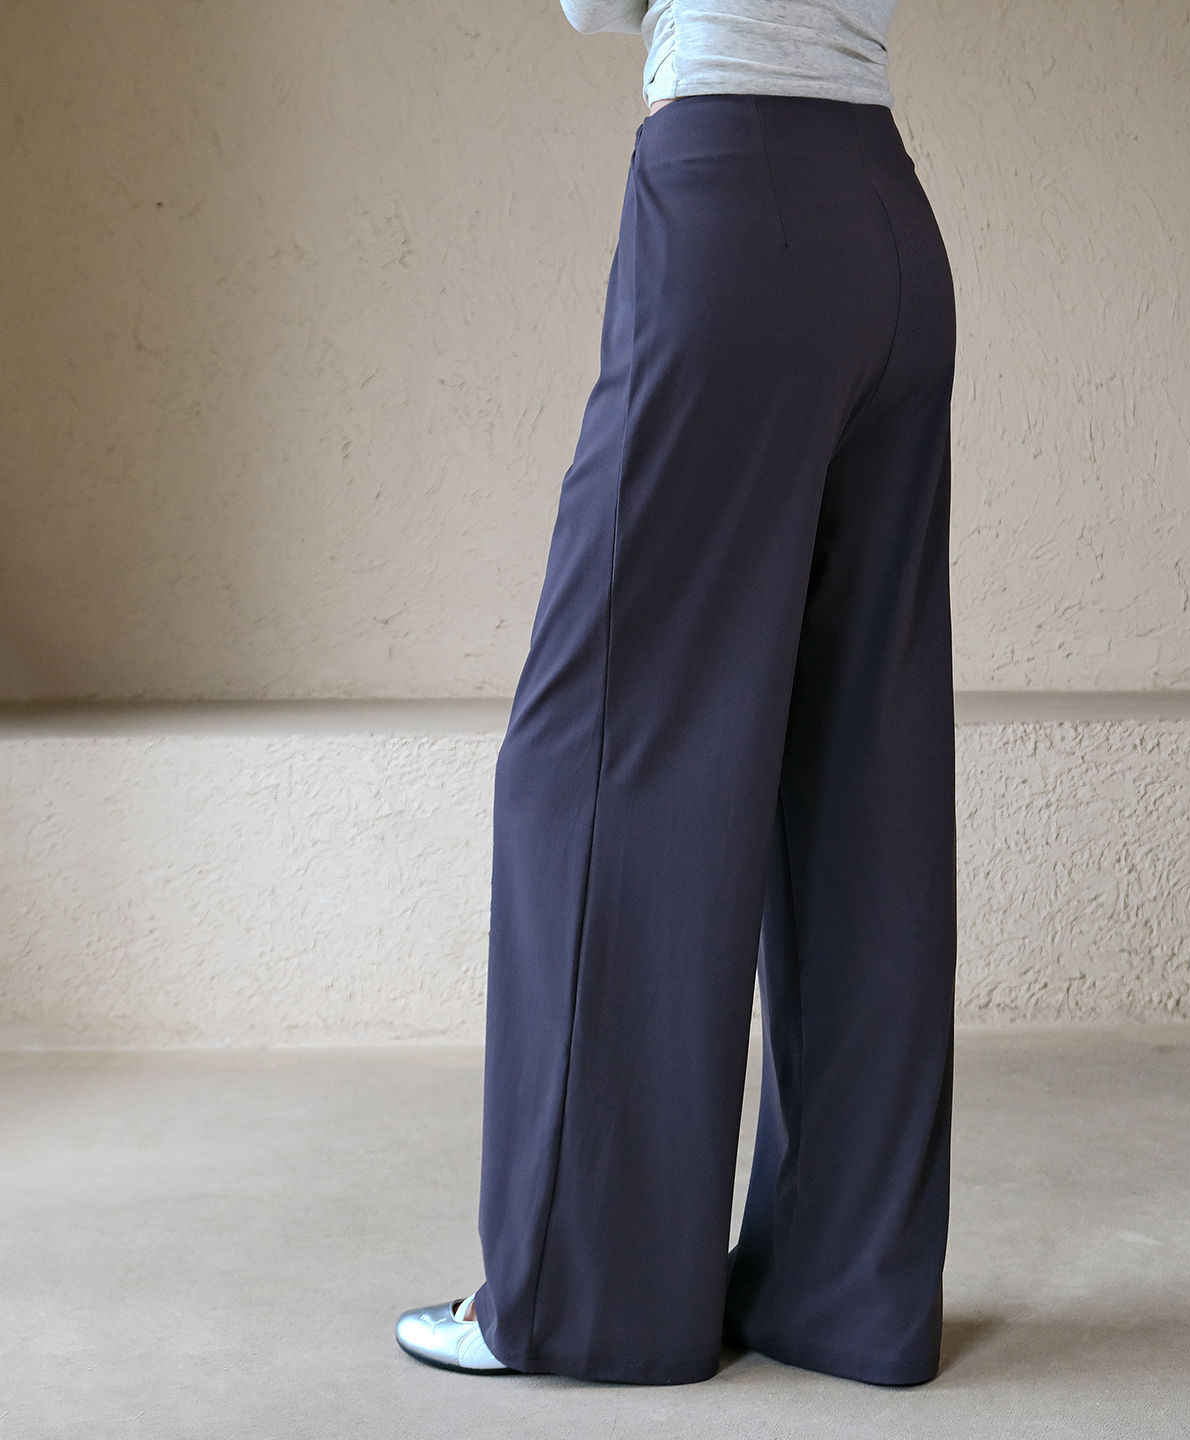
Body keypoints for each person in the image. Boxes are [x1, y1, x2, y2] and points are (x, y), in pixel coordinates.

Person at [396, 0, 957, 1388]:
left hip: (731, 202)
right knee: (858, 767)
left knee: (592, 754)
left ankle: (584, 1302)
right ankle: (845, 1298)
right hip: (886, 216)